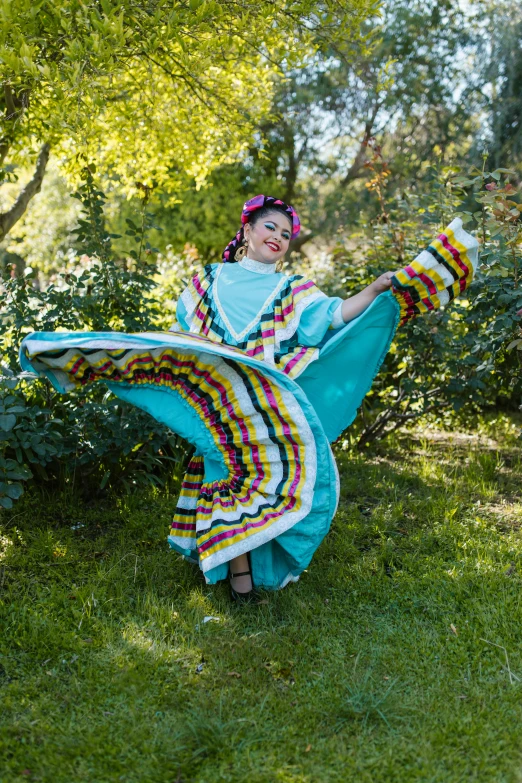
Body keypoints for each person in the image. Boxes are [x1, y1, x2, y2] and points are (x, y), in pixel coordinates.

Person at [20, 195, 479, 602]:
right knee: (224, 467)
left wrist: (377, 289)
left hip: (262, 403)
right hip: (214, 399)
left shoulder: (292, 290)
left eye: (285, 233)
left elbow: (334, 316)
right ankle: (241, 581)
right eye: (269, 227)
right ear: (247, 230)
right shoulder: (204, 282)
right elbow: (185, 338)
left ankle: (247, 575)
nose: (278, 237)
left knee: (260, 479)